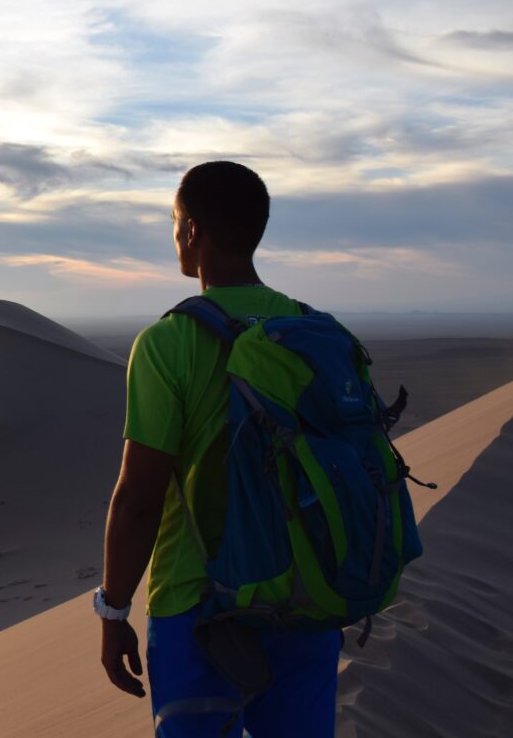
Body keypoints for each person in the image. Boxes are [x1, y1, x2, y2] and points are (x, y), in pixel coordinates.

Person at [95, 161, 342, 737]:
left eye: (175, 220)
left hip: (199, 607)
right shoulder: (315, 330)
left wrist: (113, 610)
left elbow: (137, 498)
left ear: (192, 231)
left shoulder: (168, 343)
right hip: (307, 600)